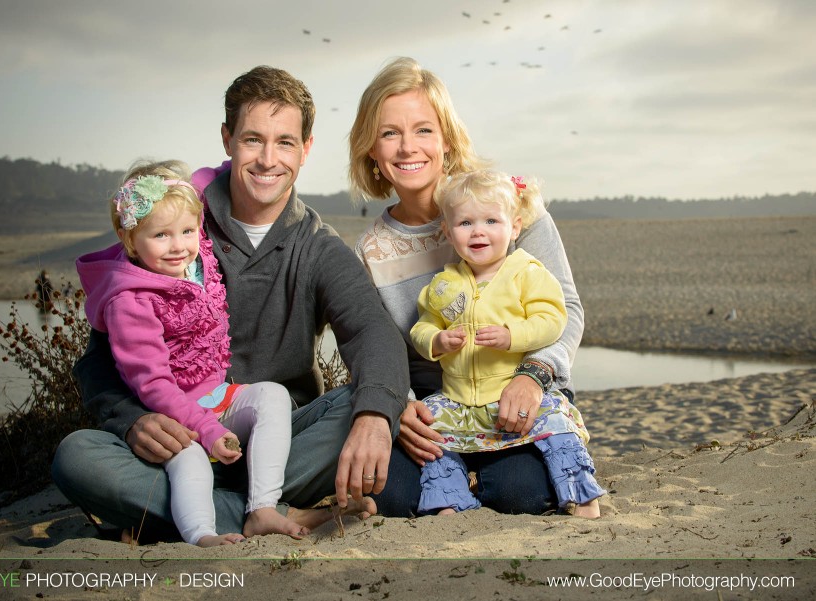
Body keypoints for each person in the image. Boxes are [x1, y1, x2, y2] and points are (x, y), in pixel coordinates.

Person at [52, 66, 409, 540]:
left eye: (284, 142)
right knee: (76, 456)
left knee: (368, 404)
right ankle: (262, 512)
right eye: (252, 139)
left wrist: (375, 417)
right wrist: (132, 419)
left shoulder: (319, 248)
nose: (267, 159)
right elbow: (100, 356)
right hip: (178, 440)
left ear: (305, 149)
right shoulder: (175, 222)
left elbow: (371, 331)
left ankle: (202, 514)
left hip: (281, 447)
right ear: (227, 139)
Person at [348, 57, 587, 516]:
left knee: (520, 494)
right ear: (371, 151)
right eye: (389, 133)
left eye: (422, 130)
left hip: (517, 393)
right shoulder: (371, 252)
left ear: (446, 139)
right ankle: (456, 473)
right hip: (436, 412)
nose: (406, 148)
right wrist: (398, 405)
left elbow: (567, 310)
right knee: (392, 495)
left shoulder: (511, 208)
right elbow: (375, 348)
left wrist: (533, 376)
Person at [75, 160, 307, 545]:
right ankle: (202, 535)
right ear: (129, 239)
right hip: (173, 414)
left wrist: (251, 157)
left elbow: (208, 178)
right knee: (189, 459)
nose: (179, 245)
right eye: (161, 235)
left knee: (273, 396)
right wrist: (207, 430)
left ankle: (263, 508)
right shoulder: (129, 301)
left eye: (186, 231)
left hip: (217, 396)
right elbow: (153, 386)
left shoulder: (194, 251)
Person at [410, 169, 604, 518]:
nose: (478, 231)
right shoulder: (444, 283)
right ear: (447, 232)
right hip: (460, 400)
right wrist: (437, 341)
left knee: (558, 428)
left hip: (511, 395)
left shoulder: (526, 272)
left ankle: (582, 495)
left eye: (491, 221)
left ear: (515, 227)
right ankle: (449, 500)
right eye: (465, 223)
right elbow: (422, 326)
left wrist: (512, 336)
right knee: (431, 436)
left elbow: (553, 319)